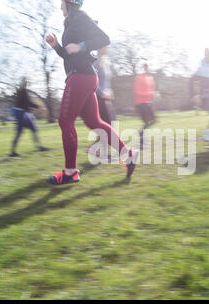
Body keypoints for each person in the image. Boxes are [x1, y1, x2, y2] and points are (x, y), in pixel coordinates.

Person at [45, 0, 139, 185]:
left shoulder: (80, 16)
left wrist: (81, 46)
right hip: (84, 76)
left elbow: (104, 39)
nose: (60, 6)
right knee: (94, 122)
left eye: (62, 2)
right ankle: (127, 154)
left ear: (69, 2)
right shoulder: (72, 22)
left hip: (80, 76)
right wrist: (56, 45)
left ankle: (70, 172)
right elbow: (68, 55)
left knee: (65, 121)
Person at [9, 77, 50, 157]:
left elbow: (25, 103)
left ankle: (39, 147)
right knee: (21, 132)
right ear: (23, 83)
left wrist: (32, 107)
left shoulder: (21, 91)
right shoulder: (22, 91)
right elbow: (27, 103)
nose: (26, 83)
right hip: (21, 114)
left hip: (22, 114)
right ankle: (13, 152)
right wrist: (37, 106)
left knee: (32, 129)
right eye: (25, 82)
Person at [134, 63, 156, 146]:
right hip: (141, 103)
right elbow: (137, 92)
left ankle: (141, 134)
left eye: (148, 68)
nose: (147, 69)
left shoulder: (151, 78)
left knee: (153, 121)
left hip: (149, 103)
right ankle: (141, 140)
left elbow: (152, 90)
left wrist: (153, 98)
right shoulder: (139, 78)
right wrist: (150, 93)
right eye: (145, 68)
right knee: (147, 121)